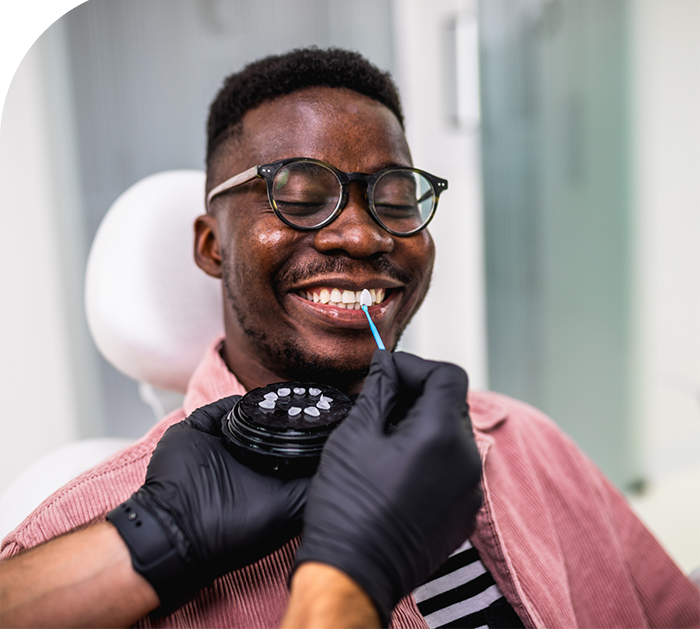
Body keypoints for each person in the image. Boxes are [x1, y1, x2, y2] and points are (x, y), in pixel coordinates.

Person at [1, 47, 700, 629]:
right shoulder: (76, 540)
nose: (365, 234)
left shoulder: (526, 441)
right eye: (300, 195)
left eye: (396, 197)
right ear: (213, 245)